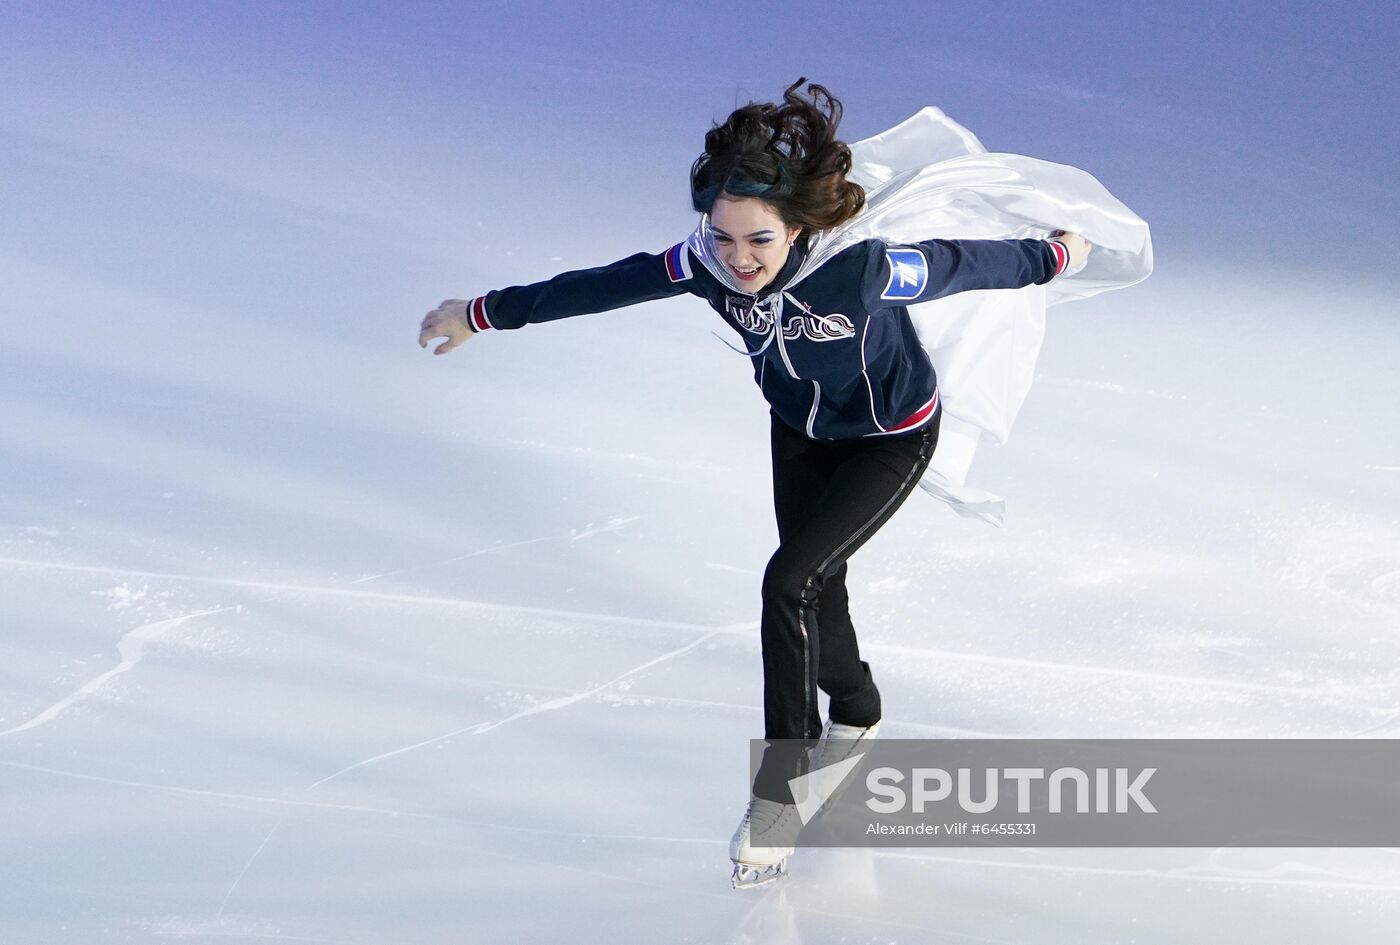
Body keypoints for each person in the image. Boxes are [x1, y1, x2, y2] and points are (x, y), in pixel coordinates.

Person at [417, 78, 1090, 887]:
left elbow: (963, 264)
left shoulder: (865, 269)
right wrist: (483, 311)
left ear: (799, 225)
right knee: (817, 585)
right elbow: (603, 284)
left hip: (889, 438)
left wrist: (1055, 255)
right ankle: (861, 708)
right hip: (801, 435)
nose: (739, 260)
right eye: (724, 237)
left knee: (789, 580)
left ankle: (784, 789)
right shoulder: (704, 263)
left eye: (760, 241)